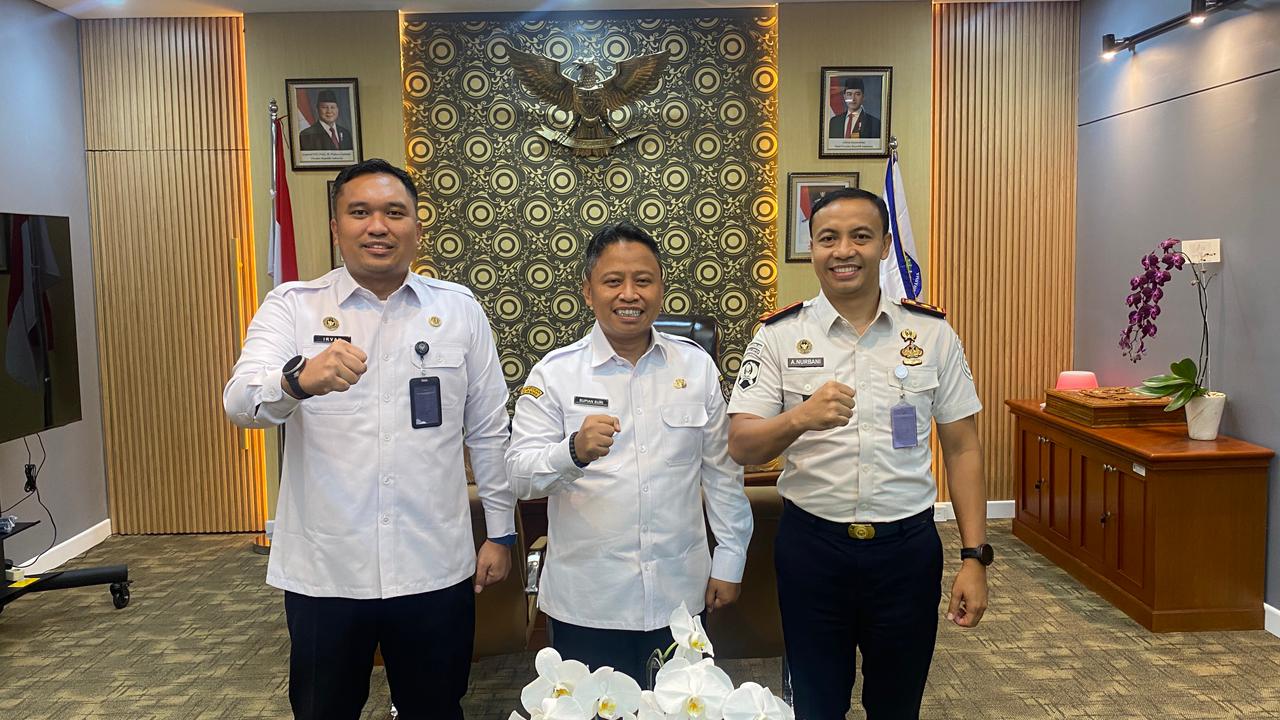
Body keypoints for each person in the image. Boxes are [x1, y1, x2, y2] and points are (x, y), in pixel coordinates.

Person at [223, 158, 515, 720]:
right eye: (360, 213)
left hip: (433, 565)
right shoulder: (293, 305)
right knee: (323, 710)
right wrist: (297, 380)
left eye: (394, 213)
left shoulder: (458, 309)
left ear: (417, 228)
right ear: (336, 227)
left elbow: (487, 429)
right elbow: (239, 403)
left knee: (436, 709)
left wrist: (500, 533)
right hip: (326, 570)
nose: (377, 226)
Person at [726, 188, 990, 720]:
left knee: (897, 705)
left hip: (906, 551)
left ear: (885, 246)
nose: (843, 250)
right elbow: (741, 444)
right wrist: (800, 417)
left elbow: (962, 449)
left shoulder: (931, 333)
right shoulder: (779, 336)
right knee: (816, 704)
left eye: (860, 237)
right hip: (813, 549)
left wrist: (974, 558)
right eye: (828, 238)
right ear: (812, 249)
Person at [506, 222, 753, 684]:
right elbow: (519, 476)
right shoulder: (555, 373)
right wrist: (572, 452)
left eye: (643, 280)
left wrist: (730, 560)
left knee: (682, 710)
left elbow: (723, 474)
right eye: (613, 281)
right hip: (588, 603)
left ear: (661, 288)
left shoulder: (696, 366)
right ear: (588, 291)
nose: (629, 294)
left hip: (679, 599)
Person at [827, 76, 881, 140]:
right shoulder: (834, 122)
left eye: (857, 94)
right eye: (849, 94)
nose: (853, 98)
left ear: (863, 97)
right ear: (844, 97)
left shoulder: (875, 123)